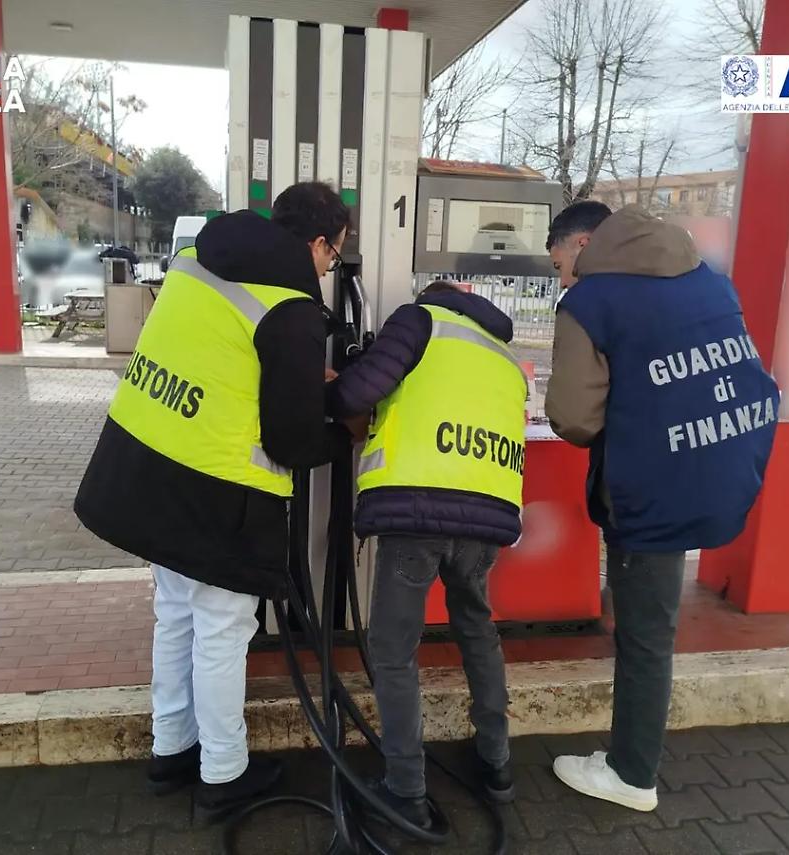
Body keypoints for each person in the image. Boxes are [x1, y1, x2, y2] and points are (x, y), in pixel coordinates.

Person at [75, 182, 352, 814]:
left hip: (145, 468)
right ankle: (224, 776)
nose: (330, 268)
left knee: (174, 614)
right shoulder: (289, 305)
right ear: (317, 243)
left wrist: (301, 372)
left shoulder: (199, 257)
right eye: (334, 256)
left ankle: (171, 748)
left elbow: (222, 356)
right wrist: (342, 428)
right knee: (225, 630)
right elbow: (291, 437)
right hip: (216, 489)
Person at [543, 201, 779, 811]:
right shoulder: (708, 281)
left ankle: (632, 774)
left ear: (586, 242)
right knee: (654, 626)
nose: (565, 278)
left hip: (651, 486)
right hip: (720, 463)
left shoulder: (592, 303)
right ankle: (631, 757)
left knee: (647, 636)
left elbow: (572, 418)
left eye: (563, 262)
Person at [326, 279, 527, 830]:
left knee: (393, 651)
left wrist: (326, 387)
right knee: (477, 630)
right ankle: (497, 765)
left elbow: (355, 393)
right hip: (487, 520)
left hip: (417, 512)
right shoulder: (504, 355)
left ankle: (406, 789)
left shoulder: (419, 321)